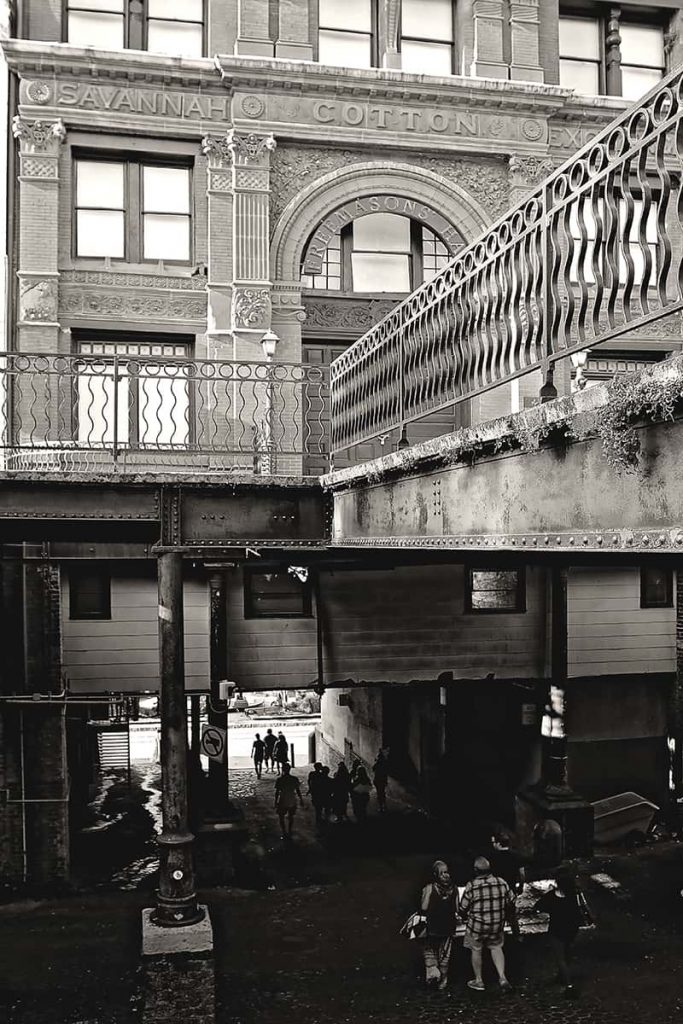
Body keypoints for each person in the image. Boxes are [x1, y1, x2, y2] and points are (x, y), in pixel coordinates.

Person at [459, 856, 514, 993]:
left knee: (476, 949)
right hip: (496, 925)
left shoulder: (472, 885)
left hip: (477, 926)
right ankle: (502, 978)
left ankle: (479, 980)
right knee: (496, 947)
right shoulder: (501, 882)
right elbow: (511, 900)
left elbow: (462, 907)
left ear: (475, 870)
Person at [535, 866, 584, 998]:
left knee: (560, 957)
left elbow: (538, 906)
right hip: (572, 928)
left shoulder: (552, 896)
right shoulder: (573, 894)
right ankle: (561, 975)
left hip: (556, 929)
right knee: (566, 951)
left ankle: (569, 985)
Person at [420, 860, 459, 990]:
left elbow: (424, 907)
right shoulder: (454, 889)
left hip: (432, 927)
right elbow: (457, 908)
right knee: (445, 954)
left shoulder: (429, 888)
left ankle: (432, 975)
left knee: (430, 951)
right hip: (448, 927)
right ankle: (443, 980)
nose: (445, 875)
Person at [488, 830, 525, 940]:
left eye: (494, 842)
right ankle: (517, 937)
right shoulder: (516, 855)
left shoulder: (493, 858)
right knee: (512, 916)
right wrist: (521, 886)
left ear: (499, 844)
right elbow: (522, 874)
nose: (493, 844)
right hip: (511, 890)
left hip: (497, 892)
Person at [274, 763, 304, 839]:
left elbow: (277, 792)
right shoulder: (294, 779)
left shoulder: (280, 780)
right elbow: (298, 790)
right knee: (291, 816)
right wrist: (301, 799)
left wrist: (275, 801)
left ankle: (284, 831)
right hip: (292, 799)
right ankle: (290, 830)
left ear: (282, 769)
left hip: (283, 799)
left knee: (281, 817)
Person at [307, 762, 327, 826]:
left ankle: (318, 820)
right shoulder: (321, 775)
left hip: (314, 792)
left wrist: (310, 789)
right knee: (319, 807)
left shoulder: (311, 774)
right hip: (320, 792)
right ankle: (319, 820)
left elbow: (309, 781)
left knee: (317, 807)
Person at [373, 748, 389, 813]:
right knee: (382, 793)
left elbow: (373, 768)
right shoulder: (384, 763)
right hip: (383, 780)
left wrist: (376, 761)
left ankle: (381, 806)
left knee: (379, 794)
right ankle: (384, 806)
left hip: (378, 780)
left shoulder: (378, 764)